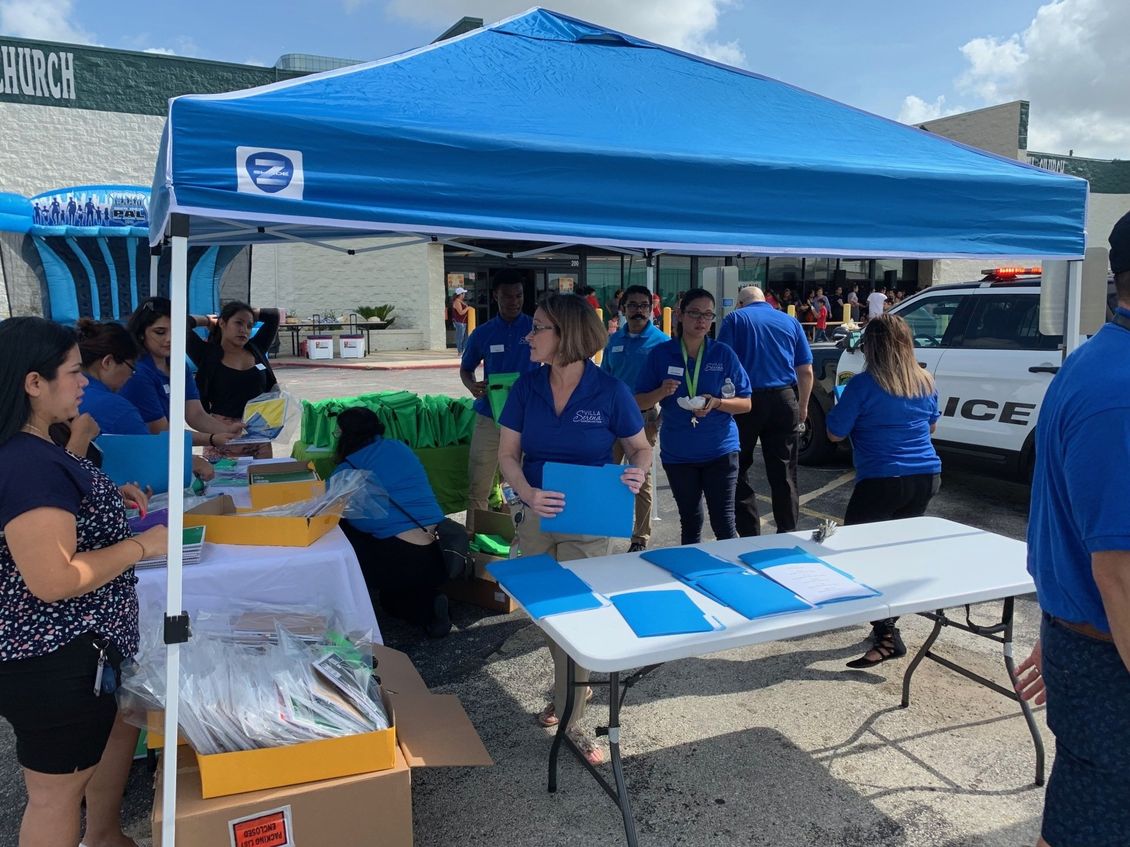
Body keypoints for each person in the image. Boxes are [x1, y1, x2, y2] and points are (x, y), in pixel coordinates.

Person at [0, 316, 167, 847]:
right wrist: (142, 546)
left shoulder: (37, 449)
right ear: (33, 383)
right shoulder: (28, 464)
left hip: (77, 656)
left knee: (81, 770)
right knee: (54, 796)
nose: (83, 382)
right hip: (56, 662)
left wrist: (104, 499)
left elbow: (55, 518)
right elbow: (53, 578)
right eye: (73, 372)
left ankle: (104, 836)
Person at [1012, 211, 1130, 847]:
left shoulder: (1100, 362)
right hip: (1113, 660)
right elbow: (1121, 573)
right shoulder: (1120, 388)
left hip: (1095, 647)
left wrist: (1063, 630)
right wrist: (1075, 634)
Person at [498, 293, 652, 766]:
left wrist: (638, 471)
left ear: (565, 335)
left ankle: (573, 714)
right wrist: (524, 490)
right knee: (549, 615)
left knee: (579, 615)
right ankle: (569, 696)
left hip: (590, 519)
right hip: (538, 516)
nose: (529, 335)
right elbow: (508, 455)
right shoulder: (526, 387)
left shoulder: (610, 391)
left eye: (539, 327)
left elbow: (640, 448)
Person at [825, 314, 941, 668]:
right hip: (926, 476)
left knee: (861, 555)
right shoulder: (924, 380)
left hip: (881, 480)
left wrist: (841, 401)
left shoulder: (863, 385)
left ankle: (888, 635)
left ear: (871, 347)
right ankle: (887, 624)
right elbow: (931, 425)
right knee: (894, 553)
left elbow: (834, 432)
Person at [636, 289, 751, 544]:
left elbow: (746, 403)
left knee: (724, 522)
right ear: (679, 315)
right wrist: (660, 391)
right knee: (690, 521)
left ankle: (729, 578)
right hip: (679, 454)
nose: (701, 320)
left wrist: (718, 403)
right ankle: (692, 578)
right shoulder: (661, 354)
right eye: (695, 313)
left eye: (708, 314)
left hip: (720, 450)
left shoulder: (723, 354)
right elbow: (639, 401)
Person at [332, 407, 451, 639]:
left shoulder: (347, 469)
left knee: (342, 527)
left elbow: (330, 508)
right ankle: (432, 599)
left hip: (398, 557)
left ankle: (424, 610)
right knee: (407, 589)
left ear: (346, 435)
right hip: (440, 549)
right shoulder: (400, 447)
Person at [717, 285, 812, 535]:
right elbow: (806, 371)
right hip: (784, 398)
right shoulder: (791, 322)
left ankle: (749, 533)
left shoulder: (735, 319)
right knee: (785, 472)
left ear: (740, 303)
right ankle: (788, 531)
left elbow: (721, 362)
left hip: (746, 402)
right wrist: (802, 406)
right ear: (766, 302)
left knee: (738, 468)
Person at [76, 319, 215, 481]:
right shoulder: (115, 407)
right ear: (108, 362)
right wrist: (191, 462)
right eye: (132, 368)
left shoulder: (68, 397)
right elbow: (152, 459)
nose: (131, 376)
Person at [460, 270, 539, 533]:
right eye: (507, 296)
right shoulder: (483, 333)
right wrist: (472, 386)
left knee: (524, 483)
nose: (514, 301)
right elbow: (466, 368)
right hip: (489, 416)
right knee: (479, 483)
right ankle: (474, 543)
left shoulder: (535, 329)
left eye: (519, 295)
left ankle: (522, 538)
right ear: (495, 296)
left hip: (528, 420)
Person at [120, 297, 241, 454]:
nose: (170, 339)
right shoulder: (138, 372)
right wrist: (212, 439)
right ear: (141, 333)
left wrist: (229, 430)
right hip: (139, 452)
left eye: (177, 331)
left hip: (163, 449)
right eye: (160, 332)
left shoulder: (178, 365)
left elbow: (195, 414)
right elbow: (160, 431)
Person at [600, 284, 670, 552]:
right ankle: (603, 529)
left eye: (643, 305)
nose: (638, 311)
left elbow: (671, 384)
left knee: (640, 479)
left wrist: (659, 418)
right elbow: (604, 378)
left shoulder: (662, 342)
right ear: (623, 308)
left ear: (652, 308)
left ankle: (640, 537)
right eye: (633, 306)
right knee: (608, 475)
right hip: (611, 419)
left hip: (644, 419)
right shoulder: (614, 341)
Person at [187, 300, 281, 460]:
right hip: (220, 433)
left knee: (260, 482)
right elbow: (181, 324)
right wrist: (208, 320)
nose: (244, 330)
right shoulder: (206, 354)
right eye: (238, 323)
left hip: (258, 433)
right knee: (222, 483)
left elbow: (273, 315)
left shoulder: (256, 347)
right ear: (222, 323)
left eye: (249, 326)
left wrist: (245, 312)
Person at [450, 287, 470, 356]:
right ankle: (460, 351)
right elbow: (461, 312)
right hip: (459, 322)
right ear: (460, 294)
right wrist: (467, 308)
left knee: (466, 337)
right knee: (460, 337)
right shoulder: (457, 302)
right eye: (463, 293)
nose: (464, 295)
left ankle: (463, 350)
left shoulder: (460, 301)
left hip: (463, 322)